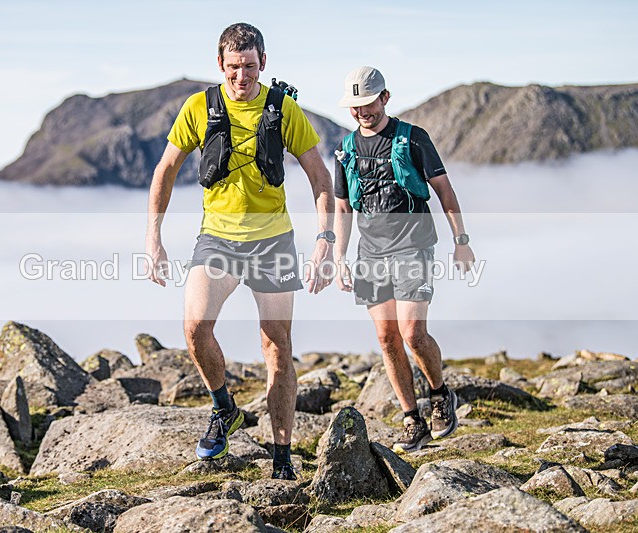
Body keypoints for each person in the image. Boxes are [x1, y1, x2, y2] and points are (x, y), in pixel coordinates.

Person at [145, 22, 334, 479]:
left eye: (250, 67)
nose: (241, 77)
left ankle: (282, 458)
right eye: (233, 68)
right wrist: (154, 236)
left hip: (273, 240)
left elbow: (320, 180)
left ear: (263, 63)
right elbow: (165, 169)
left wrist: (325, 240)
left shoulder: (283, 109)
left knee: (277, 346)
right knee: (194, 328)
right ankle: (223, 406)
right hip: (217, 239)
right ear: (220, 65)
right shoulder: (199, 107)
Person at [333, 66, 475, 453]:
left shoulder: (413, 138)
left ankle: (441, 394)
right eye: (356, 105)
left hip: (414, 246)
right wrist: (338, 256)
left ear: (385, 98)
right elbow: (343, 207)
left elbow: (444, 189)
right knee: (386, 336)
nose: (363, 111)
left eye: (368, 103)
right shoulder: (345, 149)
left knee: (412, 332)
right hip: (370, 252)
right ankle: (413, 418)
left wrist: (461, 240)